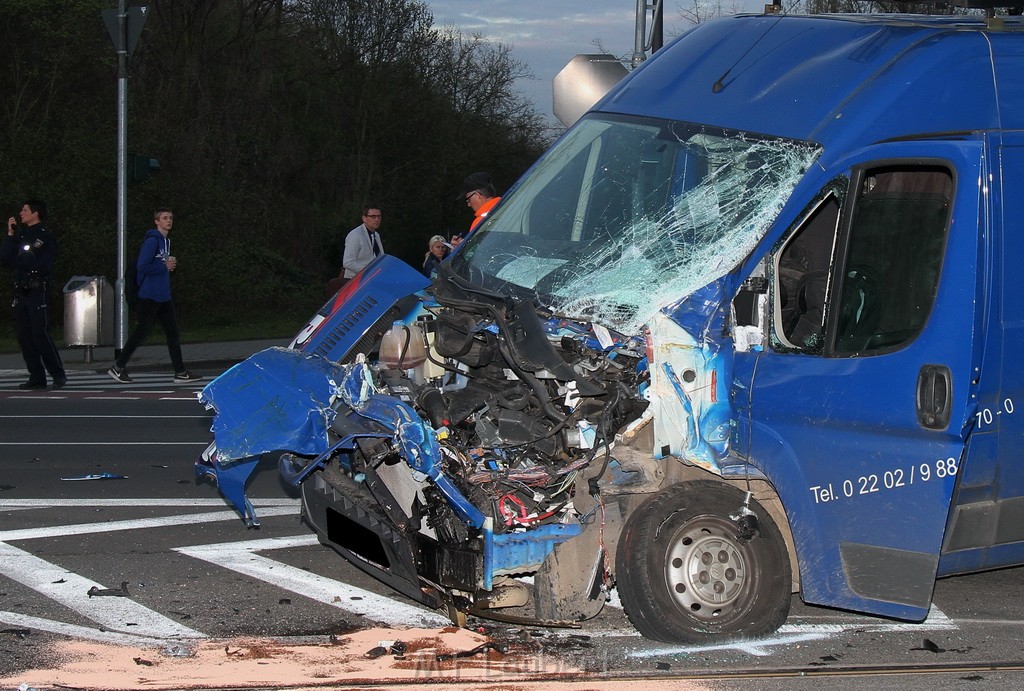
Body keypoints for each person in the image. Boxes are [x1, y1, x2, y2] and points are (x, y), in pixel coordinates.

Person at [108, 208, 199, 384]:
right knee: (142, 332)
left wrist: (167, 267)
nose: (169, 221)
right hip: (149, 296)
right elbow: (142, 266)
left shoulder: (166, 241)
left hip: (163, 296)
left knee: (173, 333)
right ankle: (118, 367)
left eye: (171, 218)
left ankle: (180, 372)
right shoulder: (152, 241)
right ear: (157, 221)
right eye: (165, 218)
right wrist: (163, 267)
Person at [1, 200, 67, 389]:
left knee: (40, 333)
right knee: (24, 335)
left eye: (25, 210)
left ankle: (58, 374)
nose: (21, 213)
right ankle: (36, 376)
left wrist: (20, 256)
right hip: (21, 291)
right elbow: (5, 258)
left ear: (35, 213)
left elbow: (32, 261)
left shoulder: (43, 235)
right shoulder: (20, 234)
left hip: (38, 289)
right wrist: (11, 234)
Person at [341, 205, 384, 280]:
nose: (377, 219)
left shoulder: (376, 235)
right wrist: (369, 271)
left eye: (379, 216)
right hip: (355, 281)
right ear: (364, 218)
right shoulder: (355, 235)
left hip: (370, 280)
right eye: (373, 216)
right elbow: (347, 262)